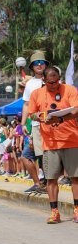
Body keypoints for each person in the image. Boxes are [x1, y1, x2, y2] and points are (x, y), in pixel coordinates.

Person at [28, 66, 78, 224]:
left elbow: (76, 110)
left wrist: (61, 119)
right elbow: (32, 114)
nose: (54, 85)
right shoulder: (37, 94)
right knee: (51, 179)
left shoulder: (69, 90)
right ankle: (54, 212)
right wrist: (39, 116)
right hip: (49, 143)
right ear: (44, 80)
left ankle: (77, 210)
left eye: (56, 81)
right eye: (50, 82)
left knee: (75, 177)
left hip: (71, 140)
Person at [21, 51, 48, 193]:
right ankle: (40, 184)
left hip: (52, 124)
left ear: (45, 65)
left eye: (41, 62)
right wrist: (23, 124)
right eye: (36, 63)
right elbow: (26, 105)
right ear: (32, 66)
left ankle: (47, 183)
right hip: (36, 125)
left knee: (50, 154)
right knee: (35, 155)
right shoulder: (30, 84)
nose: (39, 65)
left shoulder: (52, 79)